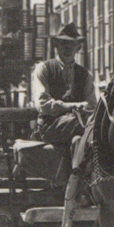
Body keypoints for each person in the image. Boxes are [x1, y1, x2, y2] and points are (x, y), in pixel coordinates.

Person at [31, 22, 97, 182]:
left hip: (78, 128)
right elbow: (43, 105)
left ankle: (83, 180)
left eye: (71, 44)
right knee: (84, 123)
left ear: (78, 48)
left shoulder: (85, 75)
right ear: (56, 45)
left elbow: (92, 105)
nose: (67, 47)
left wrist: (84, 109)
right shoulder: (44, 69)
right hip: (50, 126)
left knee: (82, 136)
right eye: (63, 43)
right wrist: (73, 106)